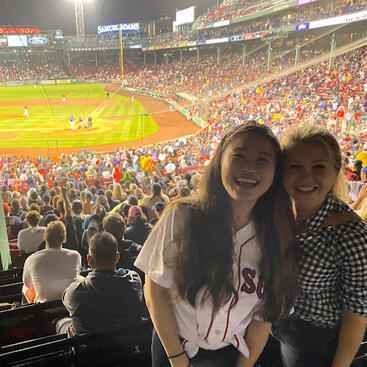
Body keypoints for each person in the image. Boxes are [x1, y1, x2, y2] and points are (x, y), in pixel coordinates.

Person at [134, 122, 296, 367]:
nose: (248, 168)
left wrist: (243, 364)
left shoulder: (278, 236)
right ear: (220, 161)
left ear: (275, 174)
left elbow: (265, 316)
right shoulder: (183, 216)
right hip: (175, 346)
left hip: (231, 352)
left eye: (262, 160)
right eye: (238, 155)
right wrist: (178, 360)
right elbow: (156, 291)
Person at [273, 124, 367, 367]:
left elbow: (356, 314)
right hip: (271, 324)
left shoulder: (351, 233)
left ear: (335, 170)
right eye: (295, 166)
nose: (306, 177)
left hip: (313, 340)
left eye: (318, 167)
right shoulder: (276, 214)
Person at [60, 231, 143, 335]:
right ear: (117, 257)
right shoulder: (134, 282)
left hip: (90, 349)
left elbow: (65, 298)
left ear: (89, 260)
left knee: (61, 323)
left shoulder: (77, 293)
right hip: (127, 346)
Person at [22, 220, 81, 303]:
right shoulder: (75, 255)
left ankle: (27, 314)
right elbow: (77, 274)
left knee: (24, 287)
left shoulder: (32, 259)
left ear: (44, 237)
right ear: (64, 239)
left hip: (45, 309)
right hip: (70, 306)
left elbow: (28, 284)